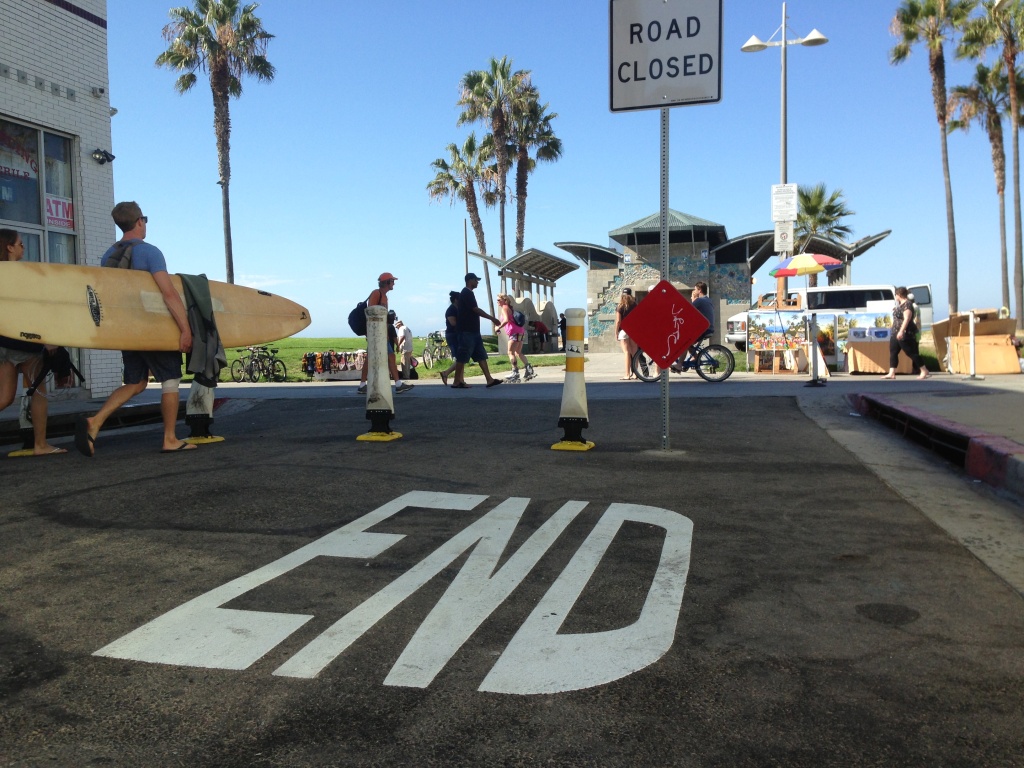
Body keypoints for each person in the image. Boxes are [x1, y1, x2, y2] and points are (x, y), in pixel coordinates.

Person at [76, 202, 195, 455]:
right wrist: (185, 329)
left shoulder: (108, 255)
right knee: (170, 380)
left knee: (137, 382)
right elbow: (169, 293)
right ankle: (170, 438)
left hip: (127, 330)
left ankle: (94, 422)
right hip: (153, 329)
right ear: (139, 221)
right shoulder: (150, 252)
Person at [0, 228, 66, 456]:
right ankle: (40, 445)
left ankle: (39, 444)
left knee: (5, 398)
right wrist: (46, 338)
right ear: (9, 247)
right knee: (38, 392)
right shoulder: (23, 274)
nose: (23, 247)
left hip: (4, 344)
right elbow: (32, 310)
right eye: (19, 244)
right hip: (26, 344)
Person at [357, 272, 412, 395]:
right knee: (384, 357)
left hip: (381, 333)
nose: (394, 283)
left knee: (385, 357)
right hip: (376, 333)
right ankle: (397, 384)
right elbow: (370, 312)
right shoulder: (376, 293)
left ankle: (363, 385)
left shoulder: (384, 296)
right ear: (387, 282)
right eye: (392, 281)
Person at [451, 273, 503, 389]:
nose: (477, 282)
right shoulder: (466, 293)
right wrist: (492, 318)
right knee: (462, 356)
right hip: (466, 331)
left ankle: (489, 380)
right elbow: (475, 309)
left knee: (481, 355)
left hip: (473, 331)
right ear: (470, 280)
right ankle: (456, 381)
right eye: (476, 280)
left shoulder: (469, 293)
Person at [883, 286, 930, 380]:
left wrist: (901, 331)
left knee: (910, 352)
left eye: (896, 295)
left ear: (899, 295)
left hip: (904, 332)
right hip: (895, 331)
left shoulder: (907, 304)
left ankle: (924, 369)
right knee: (893, 352)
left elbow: (907, 319)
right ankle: (892, 373)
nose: (895, 296)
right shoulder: (900, 305)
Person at [673, 281, 715, 372]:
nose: (693, 291)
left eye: (695, 289)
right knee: (688, 342)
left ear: (699, 290)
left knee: (685, 342)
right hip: (708, 328)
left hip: (705, 329)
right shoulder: (708, 300)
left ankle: (679, 365)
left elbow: (687, 310)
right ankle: (695, 357)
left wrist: (693, 299)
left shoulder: (700, 300)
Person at [497, 293, 535, 382]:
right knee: (518, 352)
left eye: (499, 300)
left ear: (504, 300)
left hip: (514, 332)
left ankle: (515, 372)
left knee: (510, 352)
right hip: (520, 331)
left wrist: (498, 327)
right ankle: (529, 369)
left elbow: (506, 320)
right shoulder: (510, 308)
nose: (497, 302)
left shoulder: (504, 308)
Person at [615, 287, 638, 380]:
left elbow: (618, 321)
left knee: (626, 352)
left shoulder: (620, 306)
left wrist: (616, 332)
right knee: (634, 352)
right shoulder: (634, 305)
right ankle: (636, 374)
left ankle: (627, 374)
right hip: (633, 330)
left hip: (623, 331)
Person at [439, 291, 459, 386]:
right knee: (460, 359)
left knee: (461, 359)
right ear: (456, 300)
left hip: (457, 335)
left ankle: (459, 379)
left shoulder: (458, 309)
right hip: (452, 335)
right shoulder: (451, 310)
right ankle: (446, 373)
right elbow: (453, 323)